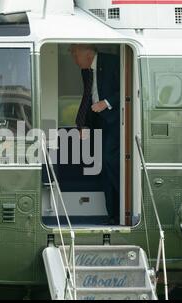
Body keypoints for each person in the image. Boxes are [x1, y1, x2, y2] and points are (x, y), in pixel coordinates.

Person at [70, 44, 121, 224]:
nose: (73, 59)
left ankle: (123, 208)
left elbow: (127, 88)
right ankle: (112, 215)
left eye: (75, 53)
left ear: (89, 53)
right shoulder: (86, 70)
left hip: (117, 123)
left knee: (110, 161)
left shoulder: (114, 62)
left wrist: (106, 102)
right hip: (100, 122)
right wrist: (83, 124)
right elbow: (88, 96)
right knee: (105, 170)